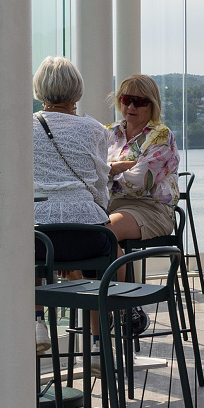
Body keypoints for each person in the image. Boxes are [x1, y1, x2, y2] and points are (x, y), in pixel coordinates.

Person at [32, 56, 116, 264]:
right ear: (76, 89)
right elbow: (99, 185)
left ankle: (37, 297)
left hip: (37, 233)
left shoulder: (23, 126)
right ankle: (109, 295)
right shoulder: (95, 129)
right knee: (115, 251)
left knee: (30, 262)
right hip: (85, 234)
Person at [106, 73, 181, 242]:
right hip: (108, 207)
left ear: (151, 105)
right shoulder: (108, 132)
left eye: (139, 102)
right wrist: (116, 168)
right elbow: (86, 172)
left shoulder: (160, 136)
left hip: (150, 209)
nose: (131, 107)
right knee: (79, 233)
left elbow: (137, 184)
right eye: (126, 99)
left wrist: (104, 171)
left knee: (105, 233)